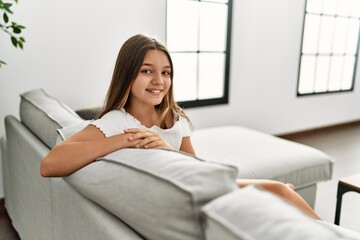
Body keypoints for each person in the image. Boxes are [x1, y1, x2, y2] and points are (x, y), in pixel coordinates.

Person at [40, 34, 320, 220]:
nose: (159, 81)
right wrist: (122, 141)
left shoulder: (176, 120)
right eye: (147, 71)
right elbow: (50, 164)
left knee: (280, 193)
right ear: (128, 75)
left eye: (166, 73)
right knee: (281, 193)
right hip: (186, 195)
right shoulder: (117, 122)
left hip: (197, 182)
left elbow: (196, 167)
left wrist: (166, 151)